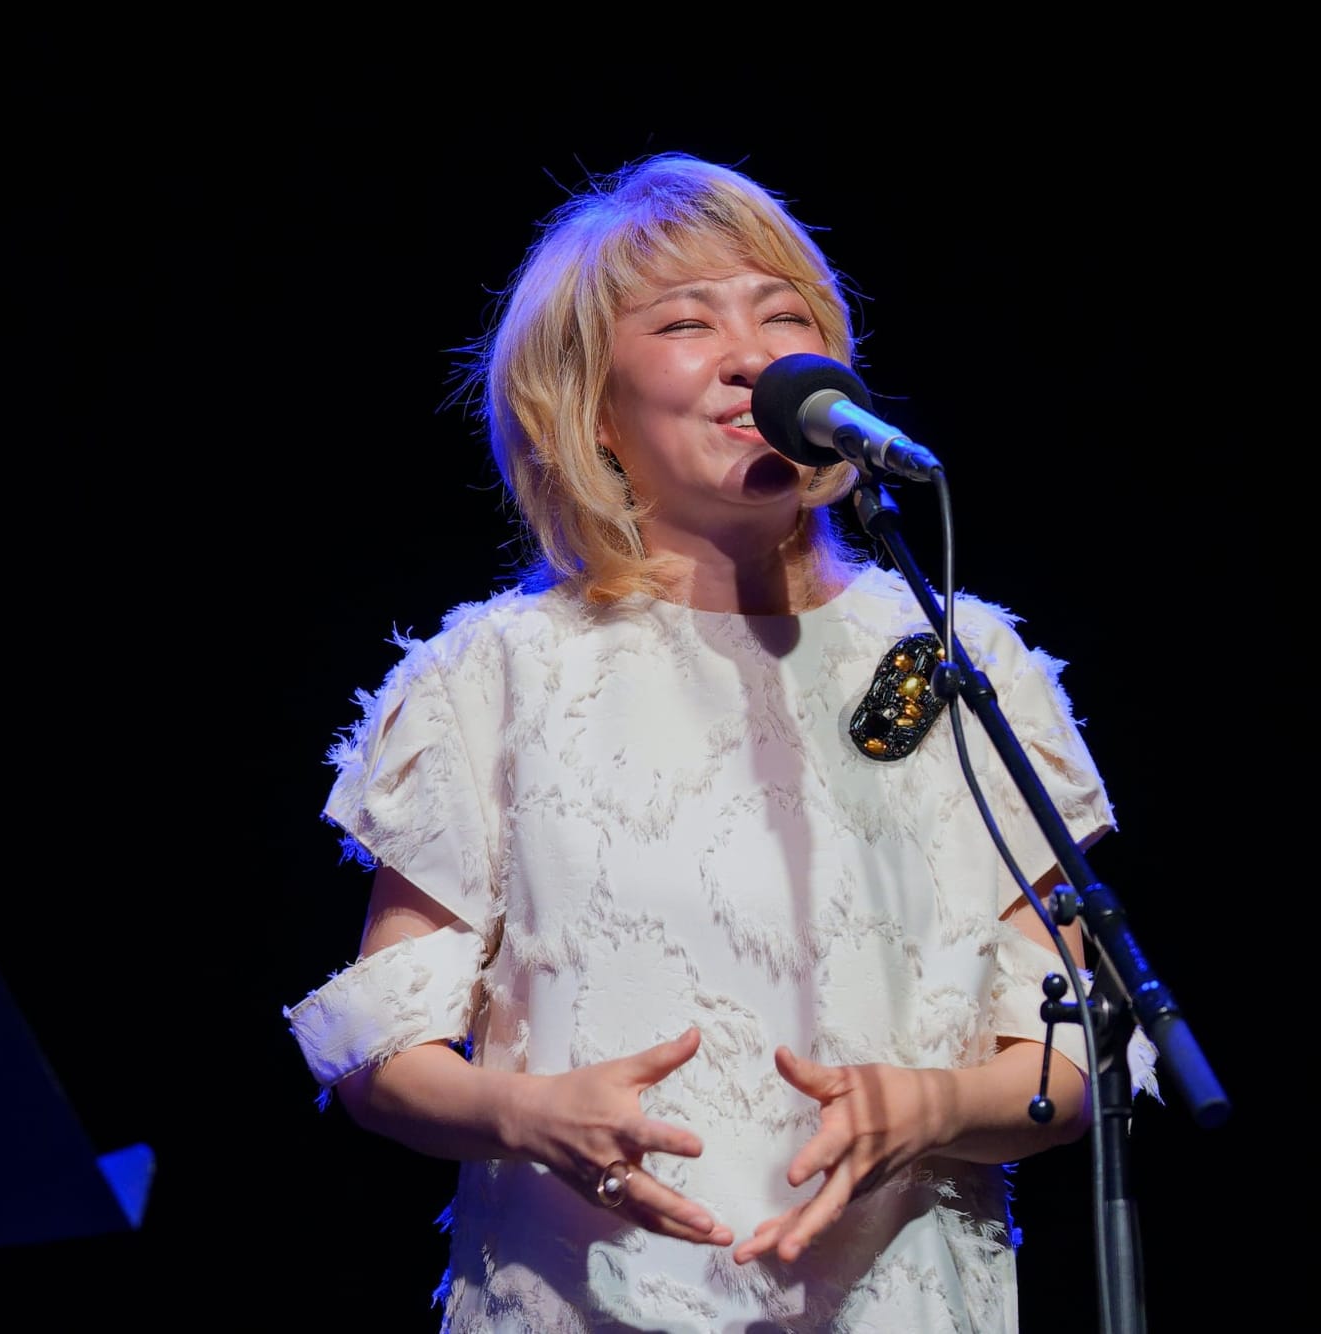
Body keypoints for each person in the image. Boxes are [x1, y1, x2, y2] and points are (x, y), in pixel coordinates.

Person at [282, 150, 1157, 1333]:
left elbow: (1067, 1052)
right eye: (687, 321)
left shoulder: (961, 658)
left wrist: (930, 1104)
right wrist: (529, 1113)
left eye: (784, 313)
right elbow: (377, 1050)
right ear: (589, 404)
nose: (753, 351)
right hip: (586, 1299)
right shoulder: (491, 675)